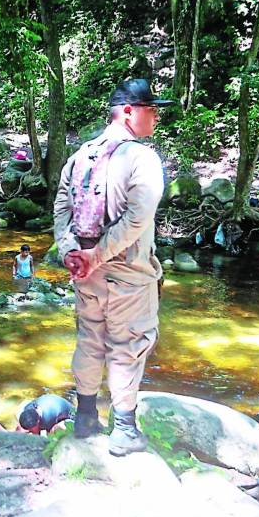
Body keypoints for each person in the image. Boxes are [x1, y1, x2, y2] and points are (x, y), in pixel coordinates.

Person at [53, 78, 171, 455]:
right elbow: (137, 220)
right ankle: (123, 430)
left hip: (86, 274)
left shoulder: (79, 157)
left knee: (90, 339)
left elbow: (61, 211)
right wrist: (95, 255)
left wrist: (73, 252)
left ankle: (85, 418)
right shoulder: (142, 158)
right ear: (128, 112)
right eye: (151, 110)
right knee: (128, 345)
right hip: (129, 276)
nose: (155, 117)